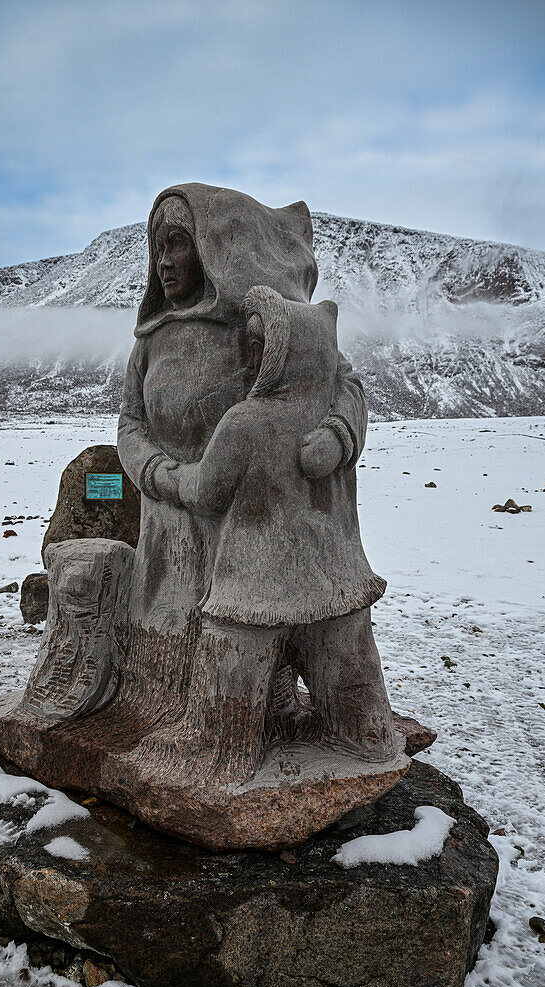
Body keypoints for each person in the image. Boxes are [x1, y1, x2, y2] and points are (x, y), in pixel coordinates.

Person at [116, 185, 369, 746]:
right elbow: (129, 425)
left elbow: (341, 383)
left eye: (177, 243)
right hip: (169, 537)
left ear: (211, 248)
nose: (164, 260)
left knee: (244, 658)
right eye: (158, 245)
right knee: (169, 671)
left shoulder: (259, 323)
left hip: (252, 531)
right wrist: (159, 475)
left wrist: (338, 433)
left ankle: (250, 725)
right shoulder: (151, 342)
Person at [149, 285, 399, 783]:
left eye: (261, 346)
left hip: (251, 598)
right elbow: (352, 394)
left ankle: (221, 766)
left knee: (223, 725)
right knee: (359, 709)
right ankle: (368, 745)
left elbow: (204, 493)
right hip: (338, 590)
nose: (252, 356)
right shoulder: (329, 424)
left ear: (289, 354)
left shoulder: (247, 422)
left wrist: (163, 474)